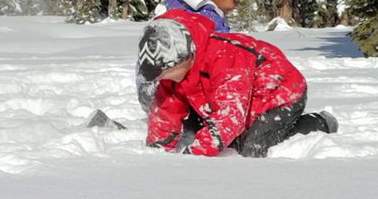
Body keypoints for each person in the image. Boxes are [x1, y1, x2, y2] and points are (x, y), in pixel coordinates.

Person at [136, 9, 338, 158]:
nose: (162, 79)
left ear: (185, 57)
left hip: (280, 95)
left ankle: (319, 122)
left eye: (165, 72)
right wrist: (158, 148)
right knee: (221, 136)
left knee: (253, 149)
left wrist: (195, 155)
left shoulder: (223, 57)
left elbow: (230, 117)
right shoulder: (172, 77)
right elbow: (166, 112)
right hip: (236, 101)